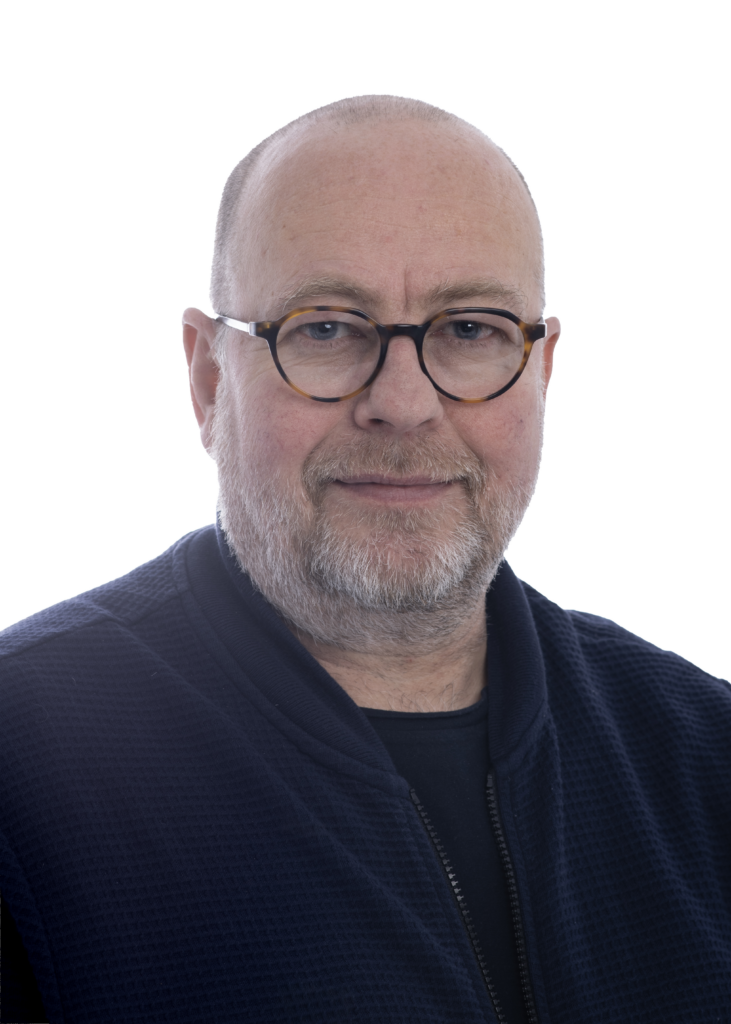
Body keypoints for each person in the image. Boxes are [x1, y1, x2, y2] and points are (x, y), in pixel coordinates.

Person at [1, 95, 729, 1024]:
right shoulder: (22, 770)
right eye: (325, 328)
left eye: (469, 330)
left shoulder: (703, 755)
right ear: (209, 379)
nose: (404, 404)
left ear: (541, 372)